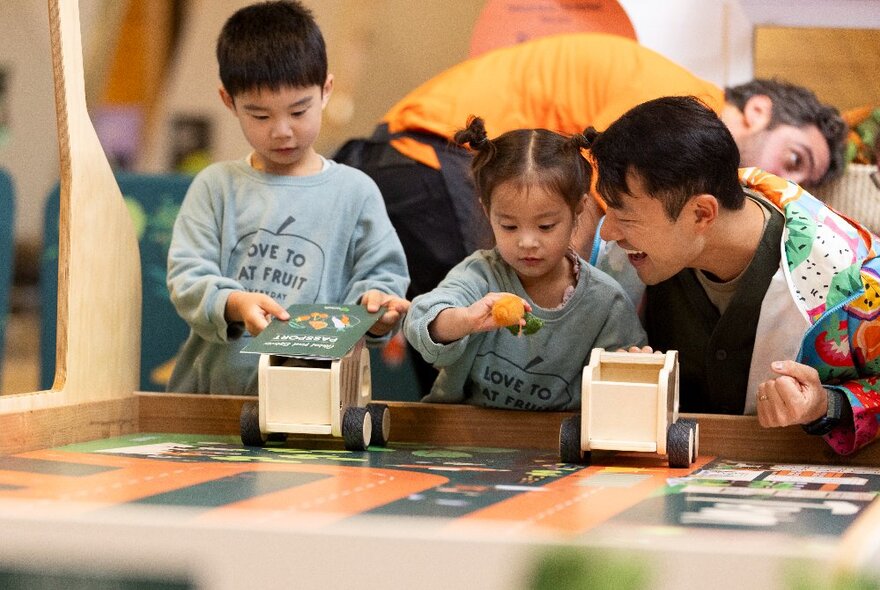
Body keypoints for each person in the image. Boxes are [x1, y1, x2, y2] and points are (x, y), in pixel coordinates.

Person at [335, 32, 847, 392]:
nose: (791, 181)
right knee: (483, 320)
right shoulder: (673, 114)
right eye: (794, 158)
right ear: (758, 112)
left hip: (404, 157)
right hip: (431, 155)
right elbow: (590, 216)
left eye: (808, 180)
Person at [587, 95, 880, 456]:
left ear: (701, 214)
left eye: (626, 218)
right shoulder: (621, 254)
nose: (608, 232)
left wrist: (826, 405)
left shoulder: (852, 281)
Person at [166, 1, 410, 395]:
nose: (282, 131)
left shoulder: (355, 192)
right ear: (228, 101)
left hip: (316, 396)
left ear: (326, 90)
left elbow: (381, 277)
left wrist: (377, 309)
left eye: (299, 111)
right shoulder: (216, 186)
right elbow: (187, 276)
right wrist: (234, 303)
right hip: (214, 397)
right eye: (260, 116)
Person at [404, 117, 646, 411]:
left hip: (559, 443)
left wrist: (628, 368)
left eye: (545, 226)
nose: (527, 242)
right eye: (509, 226)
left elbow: (619, 393)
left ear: (578, 210)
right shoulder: (480, 275)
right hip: (464, 433)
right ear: (487, 210)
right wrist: (465, 320)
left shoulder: (606, 303)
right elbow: (420, 321)